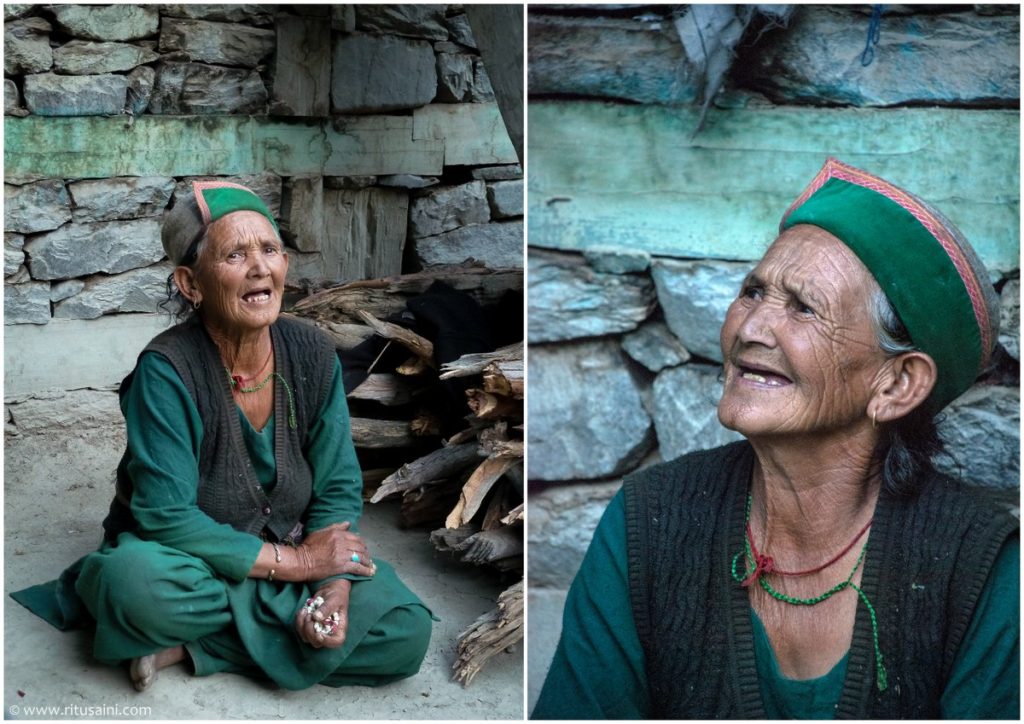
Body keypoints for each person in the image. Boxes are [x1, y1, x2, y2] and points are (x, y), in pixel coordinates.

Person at [532, 158, 1018, 719]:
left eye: (804, 308)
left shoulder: (979, 571)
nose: (751, 329)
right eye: (753, 292)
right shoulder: (648, 523)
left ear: (897, 383)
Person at [11, 181, 434, 691]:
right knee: (133, 585)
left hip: (282, 548)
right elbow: (165, 516)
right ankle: (255, 633)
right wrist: (300, 568)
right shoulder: (166, 372)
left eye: (270, 250)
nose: (260, 268)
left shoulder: (311, 352)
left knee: (405, 632)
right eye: (235, 254)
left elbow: (338, 486)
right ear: (191, 285)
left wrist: (333, 584)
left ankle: (191, 646)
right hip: (190, 562)